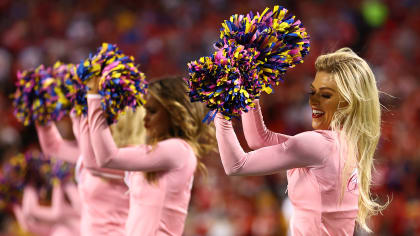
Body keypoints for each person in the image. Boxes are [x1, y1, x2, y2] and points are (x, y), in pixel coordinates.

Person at [214, 48, 386, 235]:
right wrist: (249, 89)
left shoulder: (317, 146)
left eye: (326, 95)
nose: (313, 101)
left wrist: (220, 111)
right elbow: (260, 140)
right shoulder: (348, 144)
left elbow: (236, 165)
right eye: (313, 92)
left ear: (348, 101)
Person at [84, 76, 216, 236]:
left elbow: (106, 158)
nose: (145, 118)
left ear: (174, 113)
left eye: (152, 111)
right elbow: (95, 162)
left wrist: (94, 99)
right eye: (145, 110)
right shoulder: (157, 153)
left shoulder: (179, 150)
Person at [35, 105, 145, 236]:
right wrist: (39, 106)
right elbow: (52, 147)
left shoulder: (131, 160)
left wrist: (85, 113)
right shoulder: (95, 157)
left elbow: (92, 164)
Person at [13, 183, 80, 236]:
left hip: (72, 219)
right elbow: (57, 212)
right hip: (78, 220)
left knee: (29, 213)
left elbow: (27, 223)